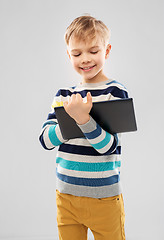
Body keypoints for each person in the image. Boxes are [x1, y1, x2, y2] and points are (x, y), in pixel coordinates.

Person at [39, 15, 129, 240]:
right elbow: (45, 140)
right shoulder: (64, 96)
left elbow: (108, 147)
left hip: (104, 200)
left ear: (106, 51)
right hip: (66, 196)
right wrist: (72, 119)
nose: (86, 59)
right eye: (77, 53)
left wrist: (83, 120)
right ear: (69, 54)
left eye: (93, 51)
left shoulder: (115, 92)